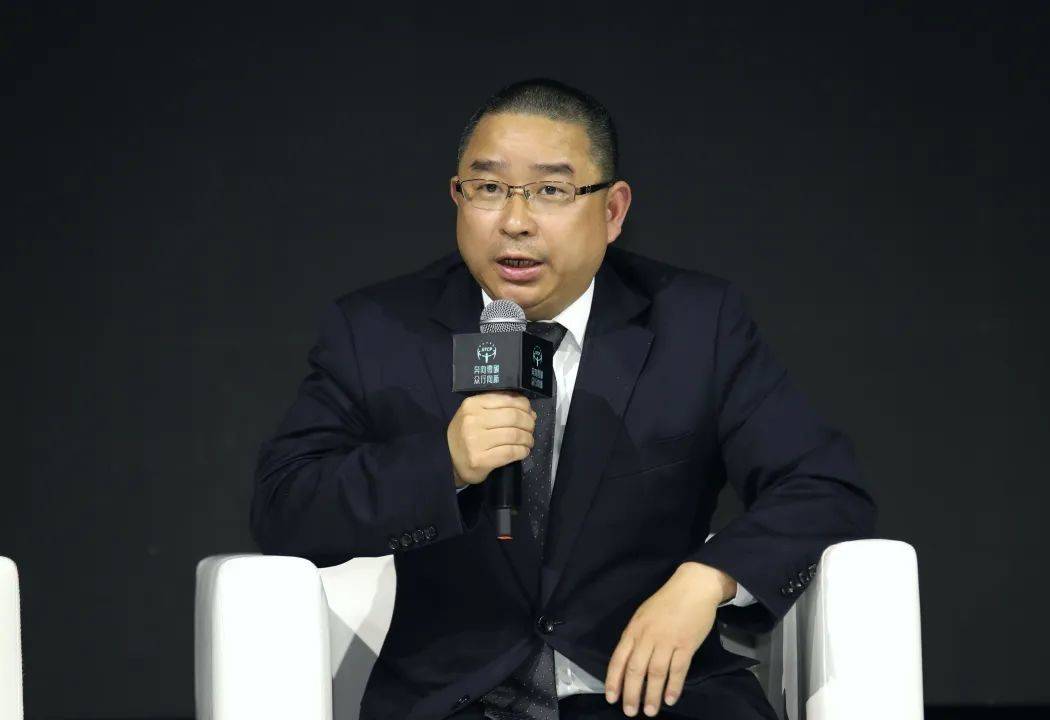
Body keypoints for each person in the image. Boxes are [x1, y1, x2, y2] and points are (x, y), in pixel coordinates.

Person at [250, 78, 876, 720]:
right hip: (459, 704)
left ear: (613, 211)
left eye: (550, 191)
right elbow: (285, 508)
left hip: (653, 699)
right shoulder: (379, 330)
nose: (514, 221)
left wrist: (706, 581)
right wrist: (444, 464)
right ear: (457, 197)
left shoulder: (696, 323)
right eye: (488, 188)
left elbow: (824, 487)